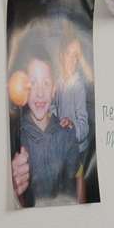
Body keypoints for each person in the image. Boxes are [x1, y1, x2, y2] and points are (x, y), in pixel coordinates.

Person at [12, 58, 82, 206]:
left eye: (46, 83)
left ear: (53, 90)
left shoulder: (67, 132)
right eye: (33, 83)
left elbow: (78, 176)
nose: (40, 93)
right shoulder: (16, 138)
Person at [55, 37, 92, 164]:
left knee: (75, 181)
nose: (71, 60)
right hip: (62, 145)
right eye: (68, 54)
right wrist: (54, 119)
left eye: (75, 56)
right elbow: (55, 106)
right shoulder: (58, 82)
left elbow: (84, 125)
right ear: (61, 56)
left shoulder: (78, 86)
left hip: (77, 149)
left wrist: (72, 127)